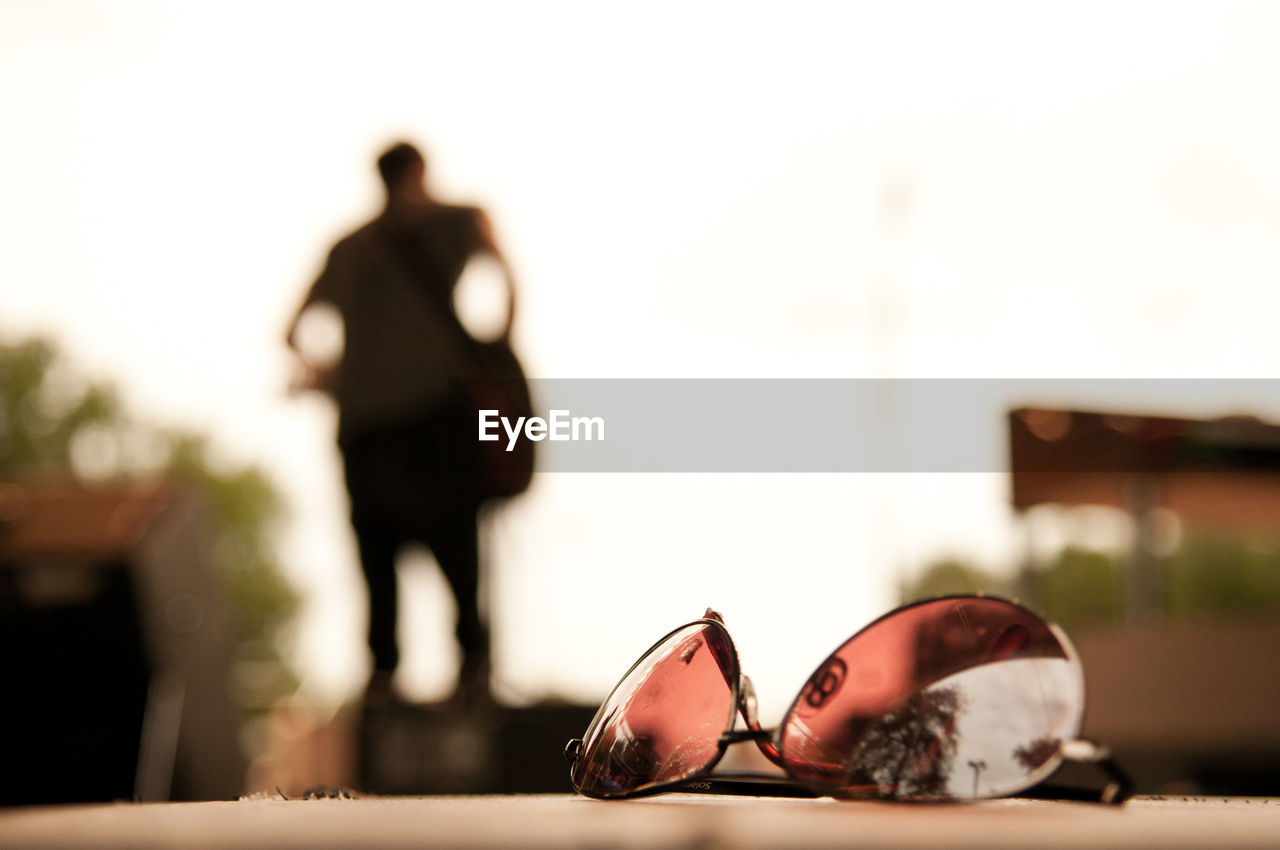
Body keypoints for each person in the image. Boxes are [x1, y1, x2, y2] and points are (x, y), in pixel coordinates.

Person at [286, 141, 515, 706]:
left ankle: (383, 678)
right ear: (418, 173)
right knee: (458, 547)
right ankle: (471, 671)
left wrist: (329, 374)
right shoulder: (457, 221)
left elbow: (292, 330)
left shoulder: (347, 248)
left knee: (375, 555)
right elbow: (505, 275)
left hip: (365, 426)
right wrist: (497, 348)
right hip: (433, 419)